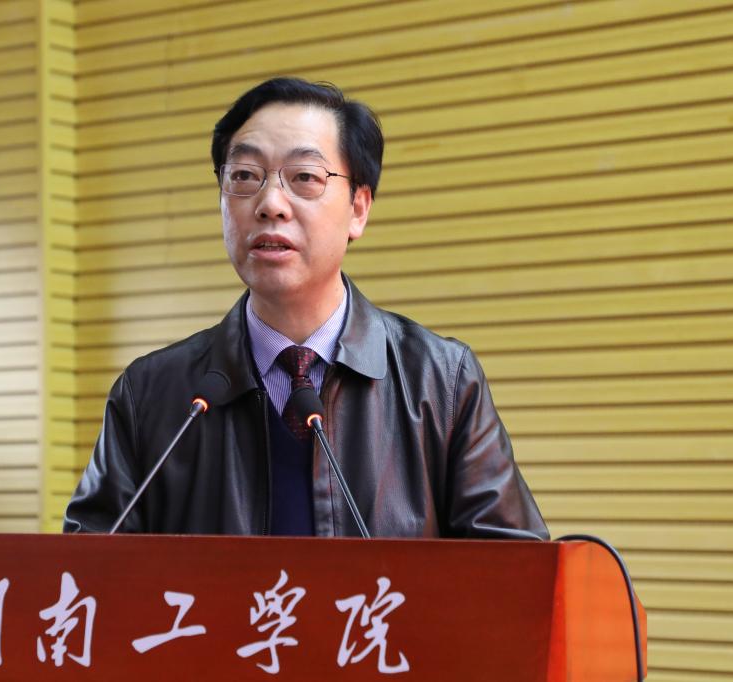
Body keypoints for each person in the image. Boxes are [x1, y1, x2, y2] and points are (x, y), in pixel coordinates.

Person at [64, 77, 548, 539]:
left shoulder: (441, 383)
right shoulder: (151, 396)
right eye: (245, 176)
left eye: (305, 177)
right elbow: (84, 577)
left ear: (358, 208)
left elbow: (513, 571)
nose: (271, 203)